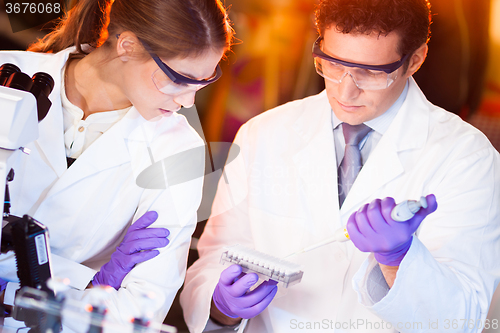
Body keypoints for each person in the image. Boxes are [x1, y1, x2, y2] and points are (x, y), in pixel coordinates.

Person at [180, 0, 500, 332]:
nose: (346, 90)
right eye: (332, 64)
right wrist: (221, 307)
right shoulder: (263, 134)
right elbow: (214, 264)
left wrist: (398, 261)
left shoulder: (466, 157)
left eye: (371, 72)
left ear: (415, 59)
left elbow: (462, 320)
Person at [0, 0, 233, 329]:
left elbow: (139, 312)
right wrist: (88, 285)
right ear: (127, 45)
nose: (188, 101)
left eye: (203, 82)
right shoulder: (6, 76)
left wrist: (17, 295)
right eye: (179, 79)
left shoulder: (177, 150)